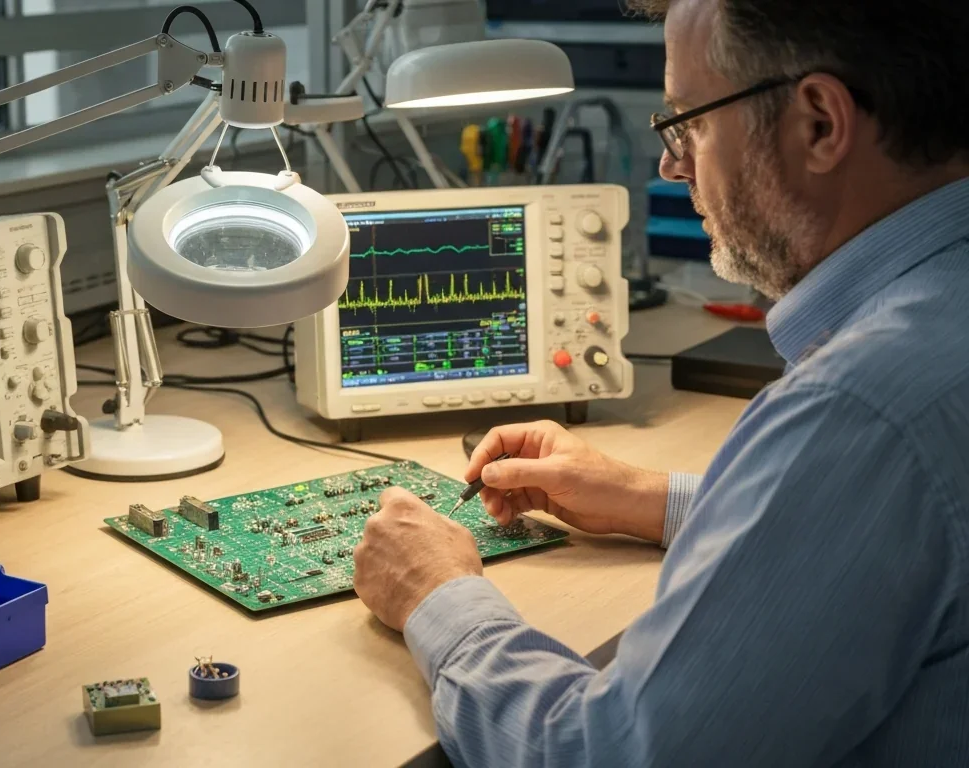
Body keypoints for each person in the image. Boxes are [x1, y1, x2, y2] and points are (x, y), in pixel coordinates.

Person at [352, 0, 969, 765]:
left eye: (691, 122)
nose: (672, 165)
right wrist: (657, 502)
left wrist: (437, 596)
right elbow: (881, 543)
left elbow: (604, 753)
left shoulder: (860, 413)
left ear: (819, 124)